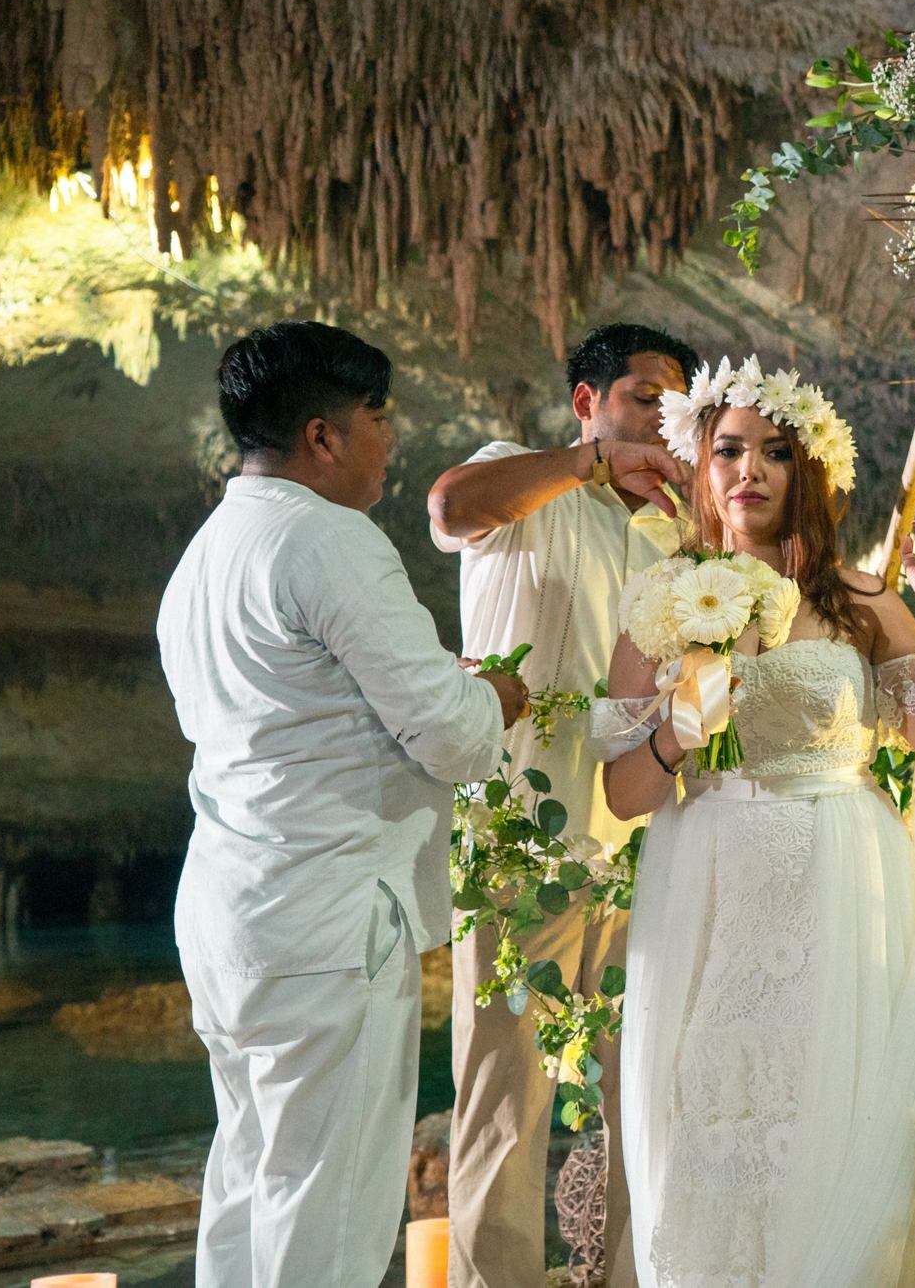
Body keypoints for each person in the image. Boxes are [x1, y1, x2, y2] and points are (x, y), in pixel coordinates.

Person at [595, 358, 915, 1286]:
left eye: (775, 451)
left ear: (808, 471)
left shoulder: (858, 598)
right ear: (701, 465)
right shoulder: (664, 606)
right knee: (717, 1111)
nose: (750, 469)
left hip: (839, 876)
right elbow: (623, 793)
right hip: (717, 889)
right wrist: (685, 726)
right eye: (729, 449)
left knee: (831, 1116)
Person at [159, 320, 527, 1288]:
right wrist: (494, 695)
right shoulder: (329, 540)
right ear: (322, 436)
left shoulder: (203, 554)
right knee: (330, 1209)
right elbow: (450, 736)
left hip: (230, 907)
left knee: (250, 1180)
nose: (390, 438)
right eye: (376, 415)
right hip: (326, 915)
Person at [427, 321, 698, 1288]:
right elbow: (451, 505)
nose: (659, 427)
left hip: (641, 849)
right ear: (587, 403)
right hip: (519, 848)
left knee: (646, 1100)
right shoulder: (525, 478)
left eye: (676, 411)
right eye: (640, 400)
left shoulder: (675, 542)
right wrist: (586, 465)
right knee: (506, 1106)